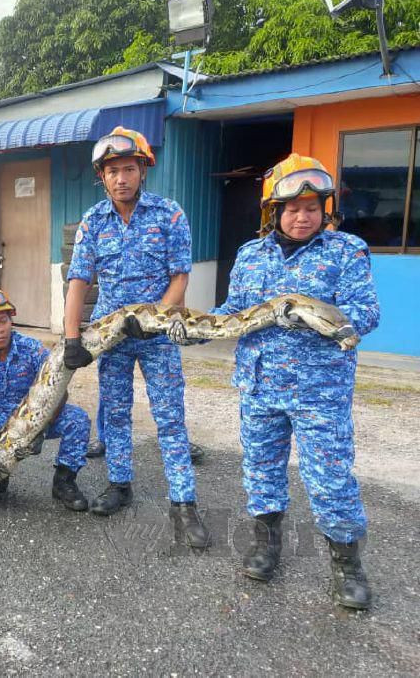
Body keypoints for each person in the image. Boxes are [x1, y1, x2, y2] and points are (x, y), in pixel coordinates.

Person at [168, 154, 380, 609]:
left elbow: (366, 313)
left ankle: (347, 565)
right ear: (274, 213)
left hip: (319, 392)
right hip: (259, 387)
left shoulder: (347, 251)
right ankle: (267, 544)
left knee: (329, 479)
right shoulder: (250, 254)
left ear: (325, 208)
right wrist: (196, 328)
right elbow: (233, 313)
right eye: (292, 208)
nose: (302, 216)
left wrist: (308, 317)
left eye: (311, 207)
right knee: (261, 472)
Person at [62, 126, 209, 548]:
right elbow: (78, 281)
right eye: (112, 171)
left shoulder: (169, 214)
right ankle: (119, 485)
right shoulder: (93, 221)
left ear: (143, 170)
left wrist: (156, 316)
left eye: (129, 169)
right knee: (116, 412)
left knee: (169, 418)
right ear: (102, 177)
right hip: (112, 337)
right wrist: (74, 337)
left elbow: (181, 274)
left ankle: (184, 505)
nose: (121, 178)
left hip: (159, 333)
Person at [0, 287, 91, 510]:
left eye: (3, 321)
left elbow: (60, 388)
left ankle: (64, 482)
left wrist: (43, 426)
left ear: (11, 321)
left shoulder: (31, 349)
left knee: (78, 419)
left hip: (33, 416)